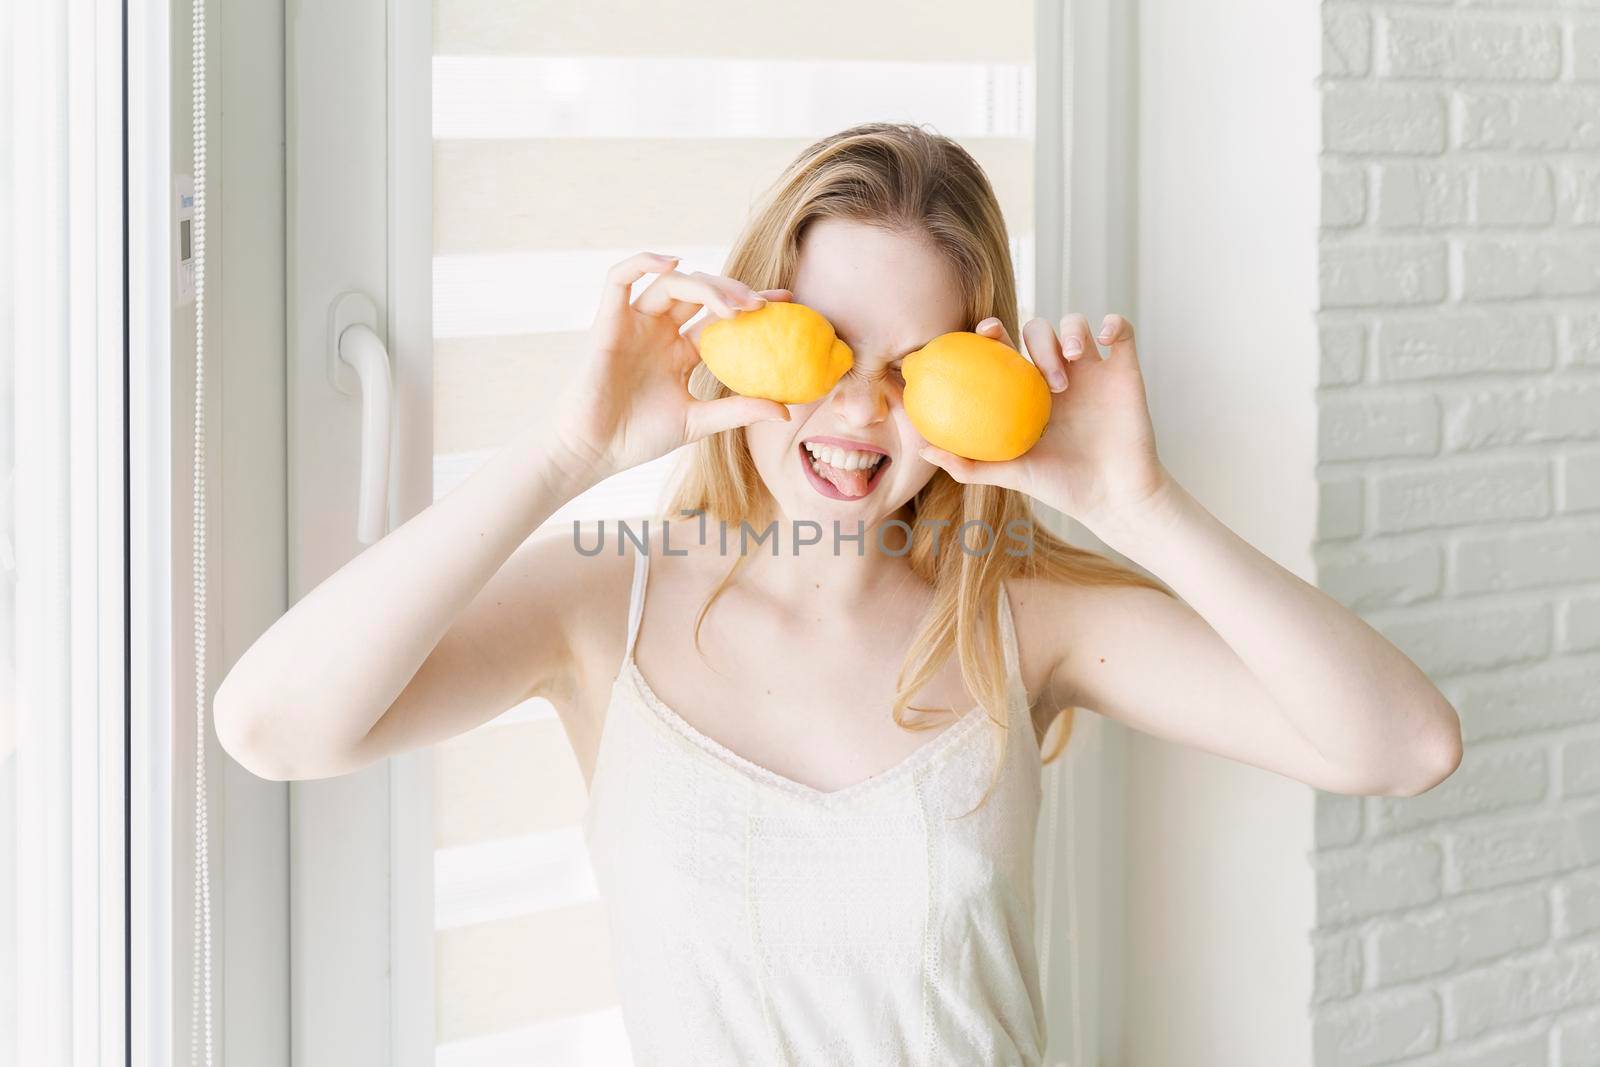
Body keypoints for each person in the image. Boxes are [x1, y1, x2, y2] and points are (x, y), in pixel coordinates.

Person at [214, 122, 1462, 1064]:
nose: (860, 409)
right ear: (748, 332)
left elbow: (1404, 745)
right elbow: (272, 725)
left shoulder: (1014, 615)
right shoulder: (606, 606)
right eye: (827, 345)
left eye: (915, 367)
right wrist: (566, 456)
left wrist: (1137, 505)